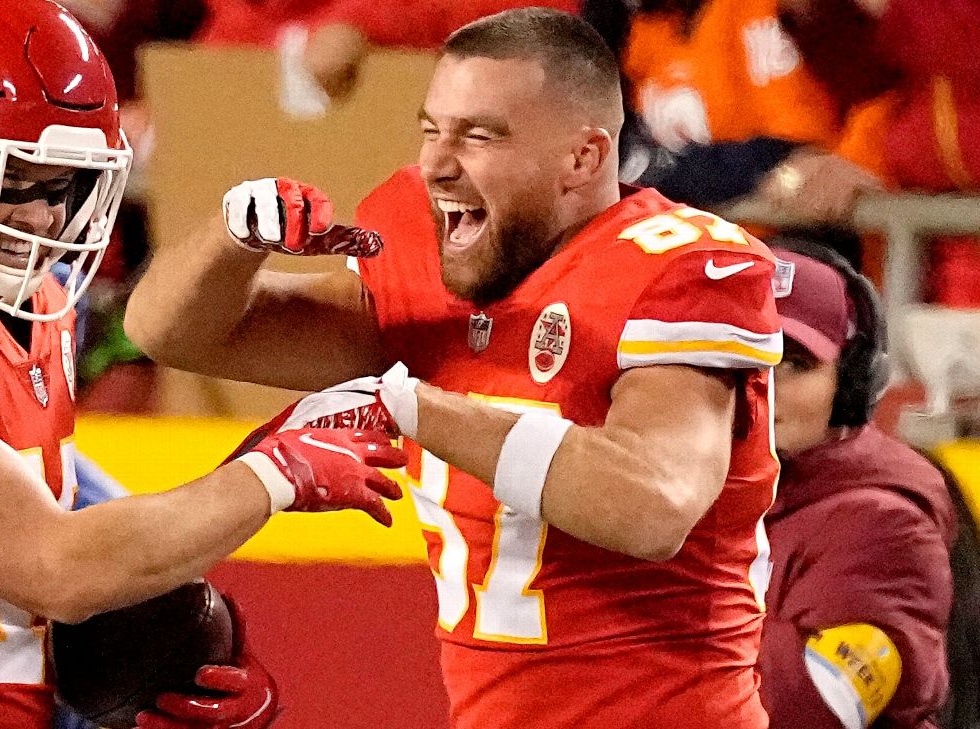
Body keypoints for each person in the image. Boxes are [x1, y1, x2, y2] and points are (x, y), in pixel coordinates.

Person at [0, 2, 407, 728]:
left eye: (59, 186)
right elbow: (53, 562)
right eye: (8, 180)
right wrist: (276, 470)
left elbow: (84, 560)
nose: (38, 217)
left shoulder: (40, 308)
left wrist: (173, 674)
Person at [126, 8, 783, 728]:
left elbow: (651, 505)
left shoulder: (677, 266)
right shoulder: (422, 240)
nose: (438, 162)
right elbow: (174, 333)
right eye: (432, 128)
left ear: (583, 158)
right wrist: (232, 239)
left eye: (479, 135)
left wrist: (410, 406)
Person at [758, 240, 955, 729]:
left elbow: (813, 705)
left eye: (794, 365)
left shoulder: (885, 524)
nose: (761, 386)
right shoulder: (693, 485)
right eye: (741, 362)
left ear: (850, 385)